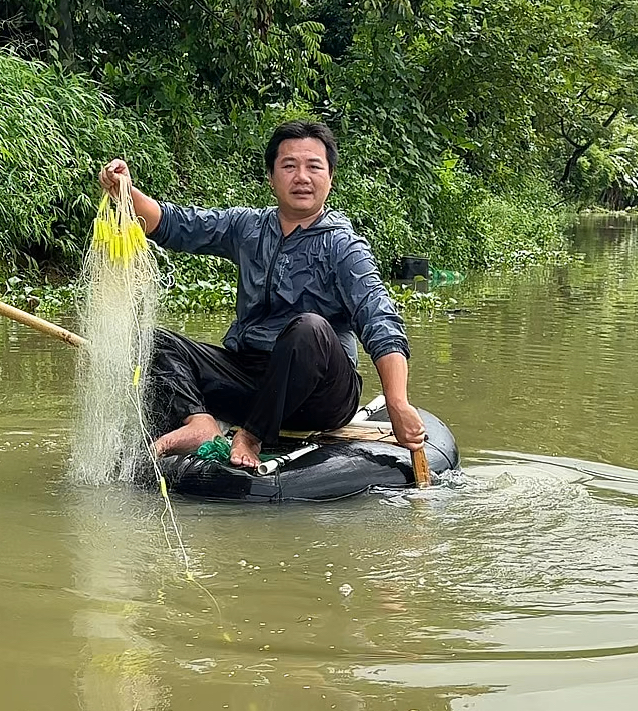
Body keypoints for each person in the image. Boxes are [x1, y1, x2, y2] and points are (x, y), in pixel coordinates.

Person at [99, 119, 426, 471]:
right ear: (271, 178)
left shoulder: (344, 247)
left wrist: (397, 400)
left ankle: (251, 436)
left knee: (309, 328)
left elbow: (379, 318)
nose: (301, 177)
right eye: (289, 166)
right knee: (152, 341)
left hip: (319, 390)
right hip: (251, 379)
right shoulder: (247, 227)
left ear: (330, 177)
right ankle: (197, 423)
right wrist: (125, 191)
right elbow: (176, 225)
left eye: (314, 166)